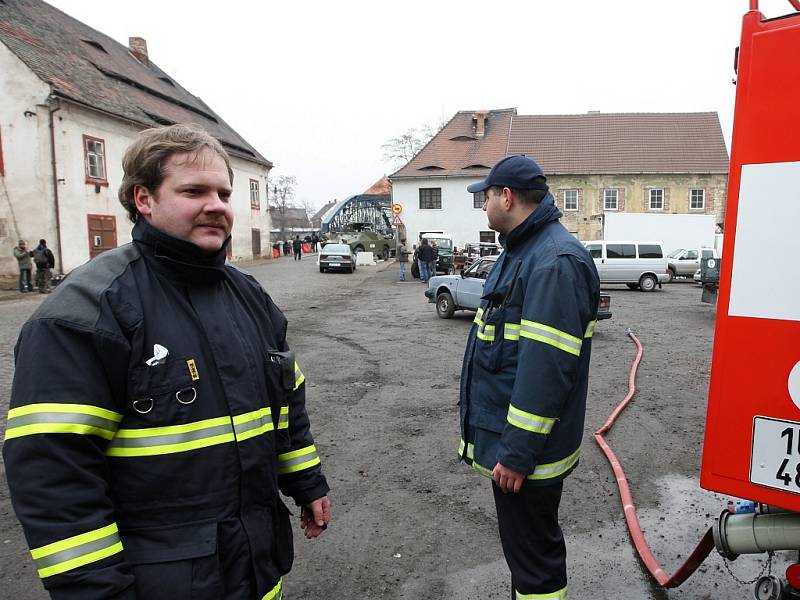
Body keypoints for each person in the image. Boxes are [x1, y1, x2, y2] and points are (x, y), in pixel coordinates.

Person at [3, 124, 331, 600]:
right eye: (194, 191)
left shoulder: (250, 297)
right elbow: (55, 478)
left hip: (256, 569)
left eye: (223, 192)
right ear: (144, 199)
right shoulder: (86, 313)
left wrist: (306, 481)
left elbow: (287, 403)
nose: (216, 204)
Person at [458, 155, 599, 600]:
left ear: (508, 196)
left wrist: (517, 453)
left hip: (525, 458)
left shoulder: (552, 261)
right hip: (517, 451)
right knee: (527, 556)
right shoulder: (522, 251)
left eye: (486, 197)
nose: (483, 206)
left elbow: (545, 371)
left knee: (535, 564)